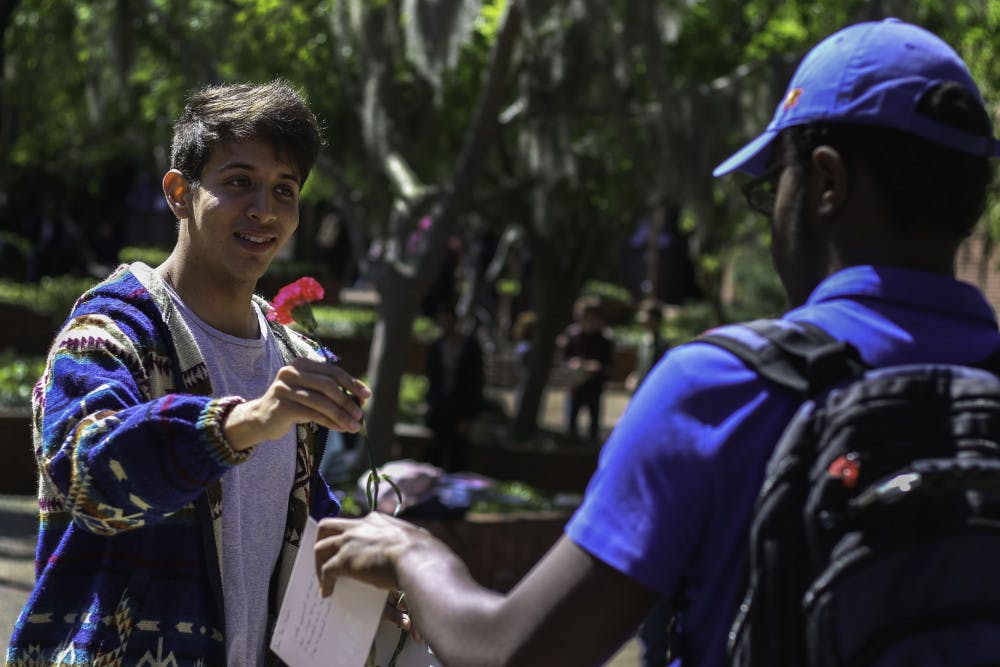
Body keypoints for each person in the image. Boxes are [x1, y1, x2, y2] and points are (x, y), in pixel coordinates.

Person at [313, 18, 1000, 667]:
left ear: (825, 181)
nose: (771, 216)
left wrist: (413, 552)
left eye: (770, 190)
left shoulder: (723, 388)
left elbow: (515, 650)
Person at [6, 80, 371, 667]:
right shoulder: (110, 334)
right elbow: (87, 481)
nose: (264, 210)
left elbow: (286, 508)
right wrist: (244, 423)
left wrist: (364, 573)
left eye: (285, 190)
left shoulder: (294, 354)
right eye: (238, 183)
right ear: (179, 193)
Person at [424, 299, 485, 472]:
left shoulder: (470, 347)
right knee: (434, 455)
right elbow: (432, 378)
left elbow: (476, 382)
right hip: (439, 409)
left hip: (460, 410)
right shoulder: (436, 346)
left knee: (458, 456)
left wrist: (470, 415)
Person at [561, 295, 614, 443]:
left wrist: (596, 367)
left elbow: (609, 364)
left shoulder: (604, 339)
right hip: (575, 387)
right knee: (570, 426)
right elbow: (564, 359)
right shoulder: (572, 335)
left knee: (594, 428)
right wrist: (573, 364)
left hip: (594, 387)